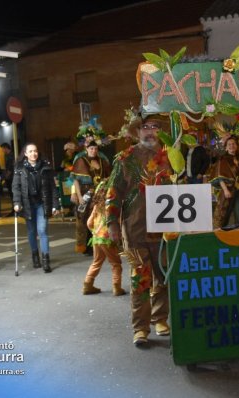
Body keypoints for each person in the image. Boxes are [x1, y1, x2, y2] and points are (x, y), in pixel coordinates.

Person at [106, 115, 172, 346]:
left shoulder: (170, 157)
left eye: (155, 127)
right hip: (134, 231)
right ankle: (141, 328)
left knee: (164, 276)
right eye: (145, 127)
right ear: (137, 132)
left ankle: (161, 318)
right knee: (140, 282)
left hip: (164, 231)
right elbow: (113, 193)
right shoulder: (125, 159)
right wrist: (112, 223)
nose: (150, 131)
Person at [12, 143, 60, 273]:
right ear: (25, 154)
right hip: (28, 204)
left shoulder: (45, 167)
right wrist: (17, 202)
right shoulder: (20, 169)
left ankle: (45, 260)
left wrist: (56, 205)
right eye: (31, 151)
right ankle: (35, 257)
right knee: (32, 232)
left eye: (35, 151)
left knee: (42, 230)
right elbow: (16, 187)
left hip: (41, 204)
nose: (34, 153)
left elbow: (53, 188)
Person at [82, 182, 125, 296]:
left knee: (96, 262)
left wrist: (95, 232)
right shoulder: (113, 207)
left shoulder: (97, 206)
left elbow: (89, 223)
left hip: (96, 239)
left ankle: (87, 285)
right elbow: (119, 222)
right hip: (108, 239)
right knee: (116, 263)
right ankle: (117, 287)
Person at [71, 140, 111, 254]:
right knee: (83, 219)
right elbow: (76, 180)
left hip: (100, 193)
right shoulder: (80, 161)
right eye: (91, 149)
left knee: (98, 219)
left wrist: (98, 168)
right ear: (86, 149)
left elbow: (108, 176)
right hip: (85, 193)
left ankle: (98, 244)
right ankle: (84, 246)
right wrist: (79, 196)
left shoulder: (102, 161)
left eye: (95, 149)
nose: (93, 151)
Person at [210, 136, 239, 228]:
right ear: (226, 147)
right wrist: (225, 190)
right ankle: (219, 231)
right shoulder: (222, 159)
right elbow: (219, 177)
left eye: (234, 144)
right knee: (223, 213)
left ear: (237, 146)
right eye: (229, 144)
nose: (232, 146)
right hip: (228, 190)